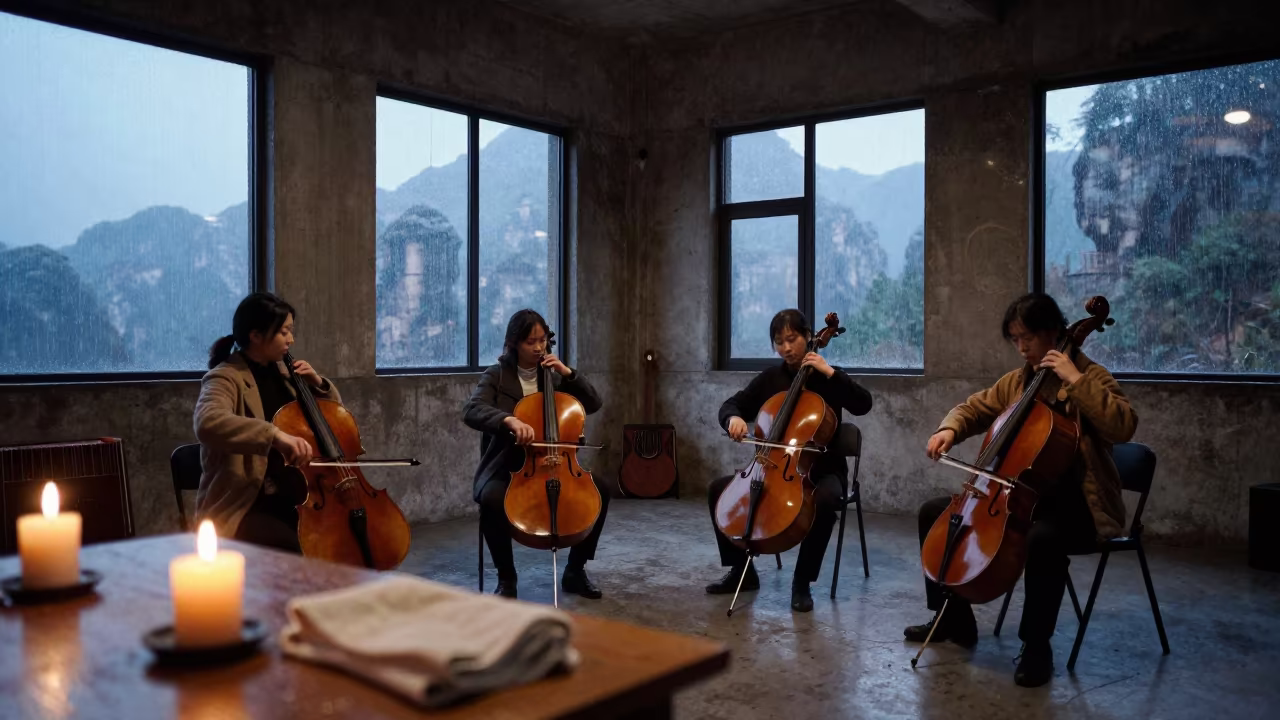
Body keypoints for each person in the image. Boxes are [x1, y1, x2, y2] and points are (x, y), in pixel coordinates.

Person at [904, 292, 1138, 687]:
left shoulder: (1091, 375)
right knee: (935, 513)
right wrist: (949, 427)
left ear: (1053, 331)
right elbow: (974, 408)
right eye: (1014, 338)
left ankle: (1036, 646)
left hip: (1077, 505)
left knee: (1043, 539)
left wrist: (1075, 379)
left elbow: (1124, 424)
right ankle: (954, 618)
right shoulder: (1018, 382)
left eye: (1027, 336)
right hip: (1017, 497)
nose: (1022, 346)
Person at [704, 309, 874, 612]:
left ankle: (802, 581)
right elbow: (734, 404)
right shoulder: (771, 378)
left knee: (826, 499)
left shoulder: (828, 376)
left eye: (792, 339)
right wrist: (732, 419)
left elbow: (864, 404)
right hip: (772, 465)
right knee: (719, 490)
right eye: (779, 342)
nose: (786, 347)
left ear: (809, 337)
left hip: (823, 468)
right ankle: (741, 571)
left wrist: (831, 372)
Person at [463, 309, 608, 600]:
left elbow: (593, 403)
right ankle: (507, 579)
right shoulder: (497, 375)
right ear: (515, 342)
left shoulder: (554, 377)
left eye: (542, 340)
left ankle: (575, 571)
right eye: (531, 341)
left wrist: (569, 374)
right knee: (492, 499)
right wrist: (509, 421)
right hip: (507, 464)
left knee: (600, 491)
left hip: (555, 463)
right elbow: (472, 410)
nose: (539, 347)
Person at [193, 292, 337, 552]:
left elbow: (333, 418)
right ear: (256, 335)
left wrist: (318, 384)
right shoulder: (225, 377)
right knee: (299, 551)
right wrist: (275, 436)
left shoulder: (286, 374)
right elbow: (208, 422)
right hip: (251, 501)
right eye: (283, 332)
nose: (291, 339)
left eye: (291, 331)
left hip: (297, 496)